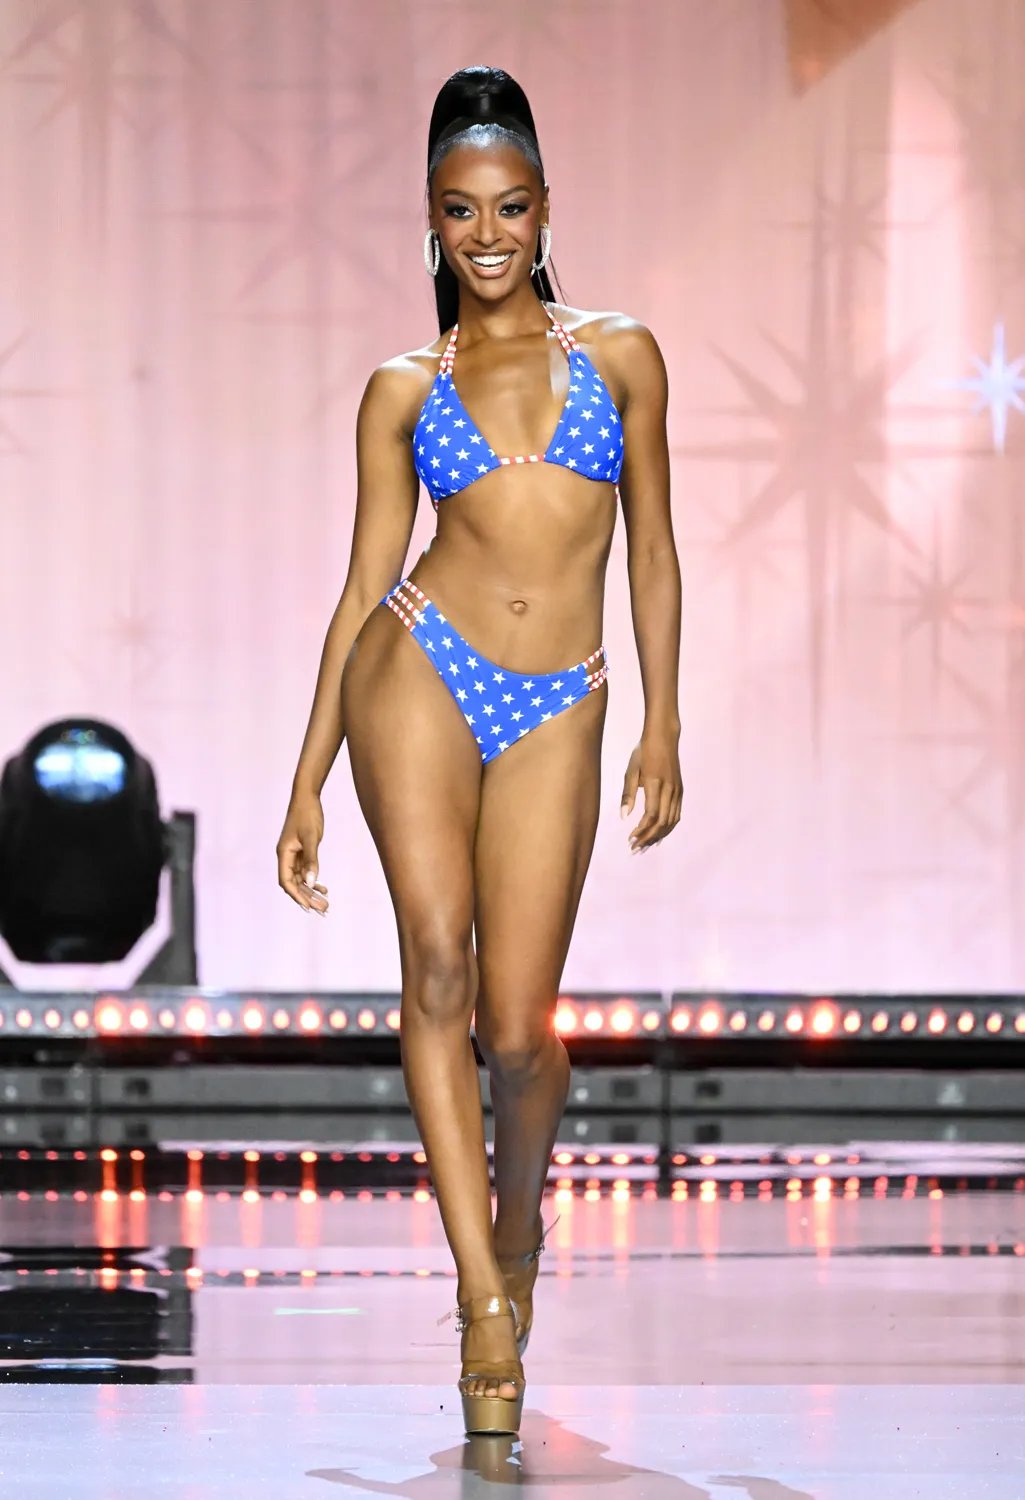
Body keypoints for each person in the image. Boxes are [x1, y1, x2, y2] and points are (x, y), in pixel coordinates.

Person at [276, 65, 682, 1437]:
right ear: (433, 221)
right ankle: (481, 1300)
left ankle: (518, 1225)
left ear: (546, 209)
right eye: (462, 212)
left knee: (518, 1031)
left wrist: (665, 722)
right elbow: (358, 585)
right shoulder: (404, 386)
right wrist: (306, 775)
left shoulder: (620, 356)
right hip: (420, 669)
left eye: (511, 208)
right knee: (434, 970)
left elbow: (656, 554)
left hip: (561, 694)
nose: (489, 235)